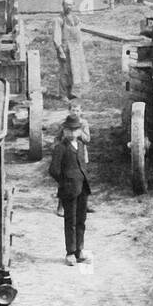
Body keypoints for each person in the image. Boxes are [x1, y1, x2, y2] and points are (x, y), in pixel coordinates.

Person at [48, 112, 92, 265]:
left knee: (81, 220)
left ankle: (80, 250)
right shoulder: (60, 148)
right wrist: (65, 182)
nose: (72, 133)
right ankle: (70, 253)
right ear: (64, 131)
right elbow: (53, 170)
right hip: (69, 190)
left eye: (75, 130)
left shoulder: (80, 145)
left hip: (82, 188)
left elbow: (82, 165)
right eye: (69, 130)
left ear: (80, 131)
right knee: (71, 221)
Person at [53, 0, 89, 102]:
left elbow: (79, 34)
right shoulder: (59, 19)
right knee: (65, 72)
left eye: (70, 5)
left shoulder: (76, 18)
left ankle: (70, 93)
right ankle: (63, 94)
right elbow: (56, 36)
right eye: (66, 5)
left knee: (74, 71)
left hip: (76, 49)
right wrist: (60, 51)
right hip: (65, 48)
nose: (69, 7)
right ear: (62, 6)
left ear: (73, 6)